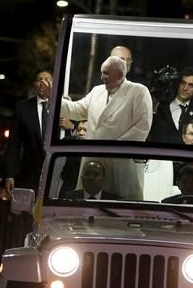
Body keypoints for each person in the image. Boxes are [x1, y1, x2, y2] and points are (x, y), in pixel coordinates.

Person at [60, 55, 152, 199]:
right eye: (102, 72)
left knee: (121, 207)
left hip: (121, 162)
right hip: (93, 161)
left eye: (106, 73)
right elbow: (76, 110)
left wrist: (112, 148)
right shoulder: (97, 91)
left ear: (120, 74)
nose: (102, 77)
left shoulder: (138, 91)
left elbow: (142, 127)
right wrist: (53, 100)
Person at [4, 67, 52, 195]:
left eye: (47, 79)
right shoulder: (22, 108)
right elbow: (14, 144)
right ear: (34, 85)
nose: (43, 82)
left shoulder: (62, 106)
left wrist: (72, 127)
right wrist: (10, 175)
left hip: (55, 176)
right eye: (39, 80)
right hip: (28, 175)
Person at [150, 66, 193, 144]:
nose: (185, 88)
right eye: (183, 83)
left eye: (191, 85)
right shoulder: (160, 107)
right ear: (178, 83)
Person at [58, 120, 87, 196]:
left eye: (85, 130)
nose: (81, 133)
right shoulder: (70, 141)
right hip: (67, 189)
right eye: (79, 129)